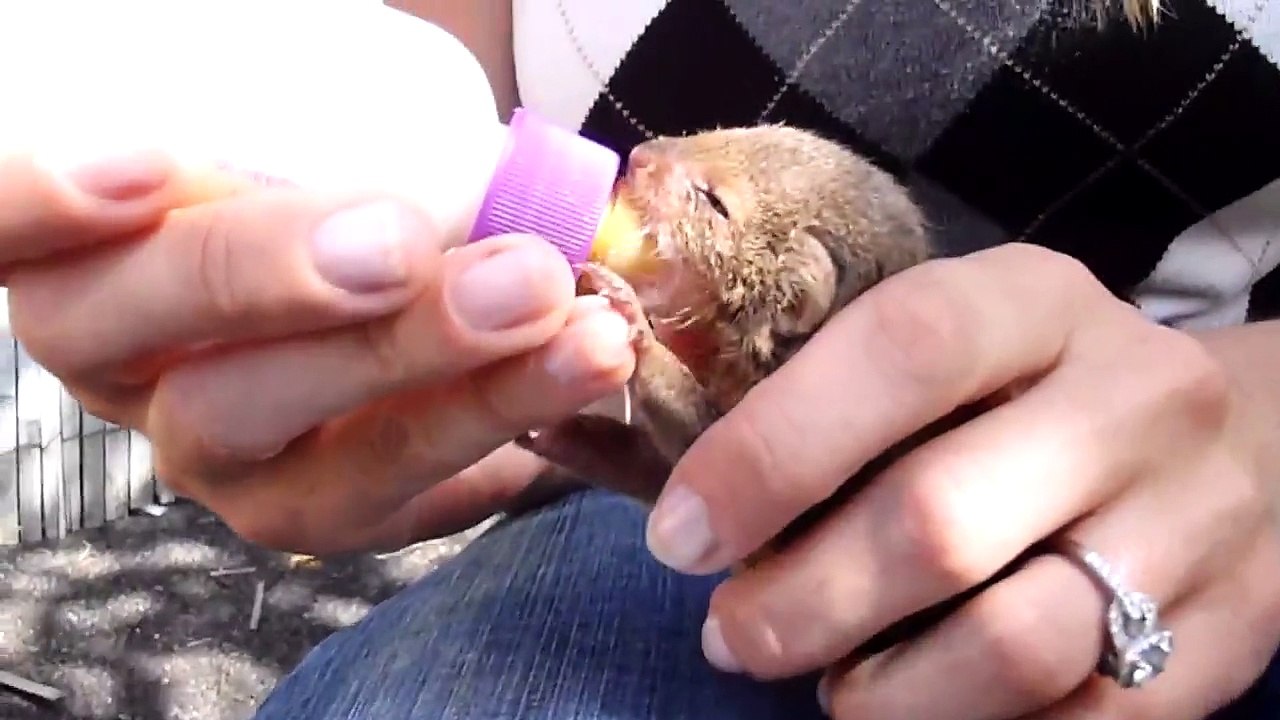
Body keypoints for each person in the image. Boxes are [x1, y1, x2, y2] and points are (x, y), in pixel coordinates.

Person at [2, 0, 1278, 717]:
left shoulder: (800, 331)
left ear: (787, 297)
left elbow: (721, 425)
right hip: (656, 527)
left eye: (709, 206)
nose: (647, 166)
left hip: (1171, 511)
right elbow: (436, 69)